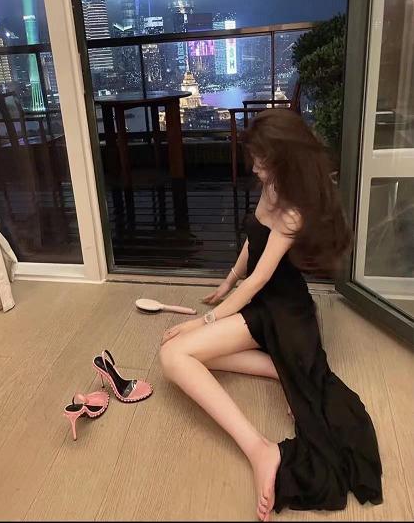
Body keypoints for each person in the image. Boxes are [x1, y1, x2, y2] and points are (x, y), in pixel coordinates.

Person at [159, 109, 382, 521]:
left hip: (284, 314)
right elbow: (253, 239)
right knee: (181, 354)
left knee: (175, 355)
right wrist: (227, 281)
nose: (255, 168)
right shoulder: (272, 185)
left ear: (284, 160)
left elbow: (258, 281)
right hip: (260, 306)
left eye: (262, 160)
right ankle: (280, 368)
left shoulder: (294, 211)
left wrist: (204, 321)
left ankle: (260, 449)